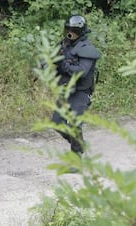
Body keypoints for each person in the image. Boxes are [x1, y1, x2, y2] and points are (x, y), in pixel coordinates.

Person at [52, 15, 101, 156]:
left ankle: (76, 157)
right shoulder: (65, 44)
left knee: (74, 125)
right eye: (67, 29)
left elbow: (81, 72)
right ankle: (79, 144)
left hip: (80, 92)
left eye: (73, 30)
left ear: (80, 32)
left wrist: (64, 64)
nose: (69, 33)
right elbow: (53, 57)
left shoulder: (87, 49)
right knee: (57, 122)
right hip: (66, 89)